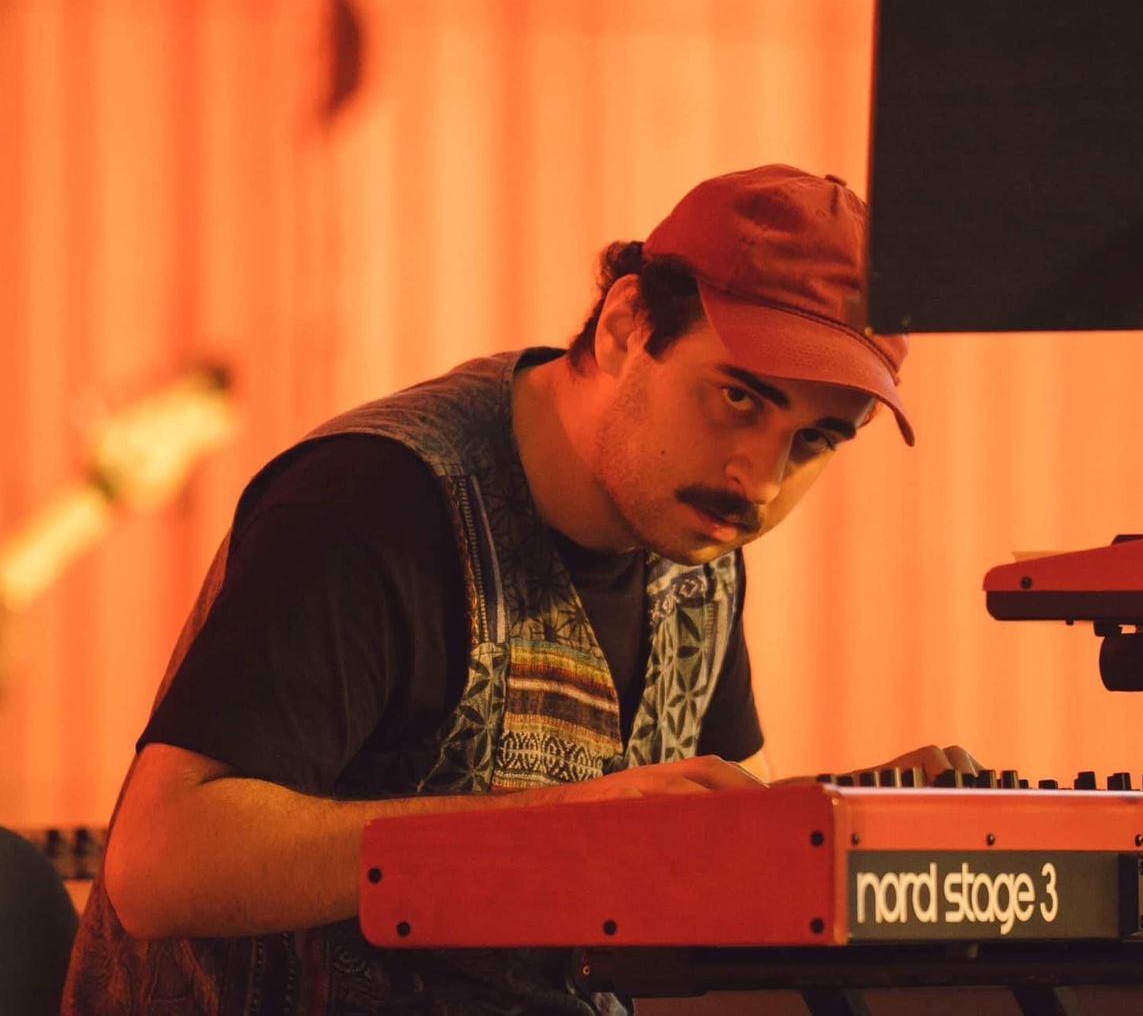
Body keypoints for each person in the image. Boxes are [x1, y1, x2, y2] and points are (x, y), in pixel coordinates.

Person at [62, 164, 980, 1014]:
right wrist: (558, 826)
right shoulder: (372, 504)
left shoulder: (695, 532)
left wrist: (856, 814)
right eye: (739, 398)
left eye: (814, 440)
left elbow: (698, 835)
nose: (761, 479)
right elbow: (158, 864)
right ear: (626, 326)